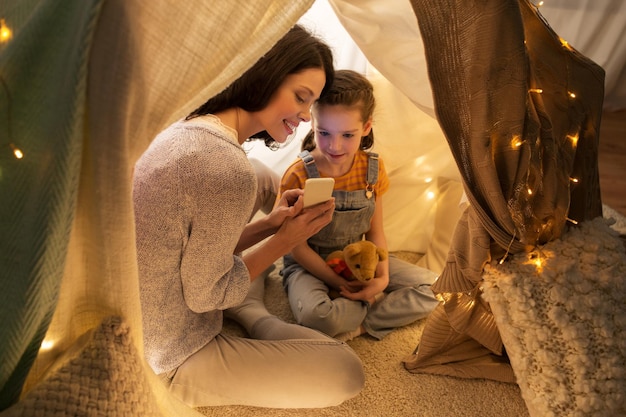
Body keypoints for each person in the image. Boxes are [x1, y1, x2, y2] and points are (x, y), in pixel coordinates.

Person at [132, 25, 364, 409]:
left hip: (152, 312)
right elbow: (207, 294)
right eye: (301, 98)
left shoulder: (188, 125)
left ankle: (246, 307)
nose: (305, 117)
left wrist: (269, 225)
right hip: (170, 353)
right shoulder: (224, 167)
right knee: (345, 371)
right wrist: (283, 243)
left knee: (257, 174)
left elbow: (183, 247)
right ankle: (253, 315)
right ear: (266, 74)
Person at [279, 69, 439, 342]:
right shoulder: (298, 175)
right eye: (325, 133)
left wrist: (383, 279)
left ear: (366, 128)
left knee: (438, 288)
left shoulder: (372, 169)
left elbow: (375, 234)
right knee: (318, 317)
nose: (335, 145)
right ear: (312, 125)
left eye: (348, 135)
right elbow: (295, 246)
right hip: (310, 264)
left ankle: (361, 324)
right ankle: (361, 302)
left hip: (360, 257)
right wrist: (339, 282)